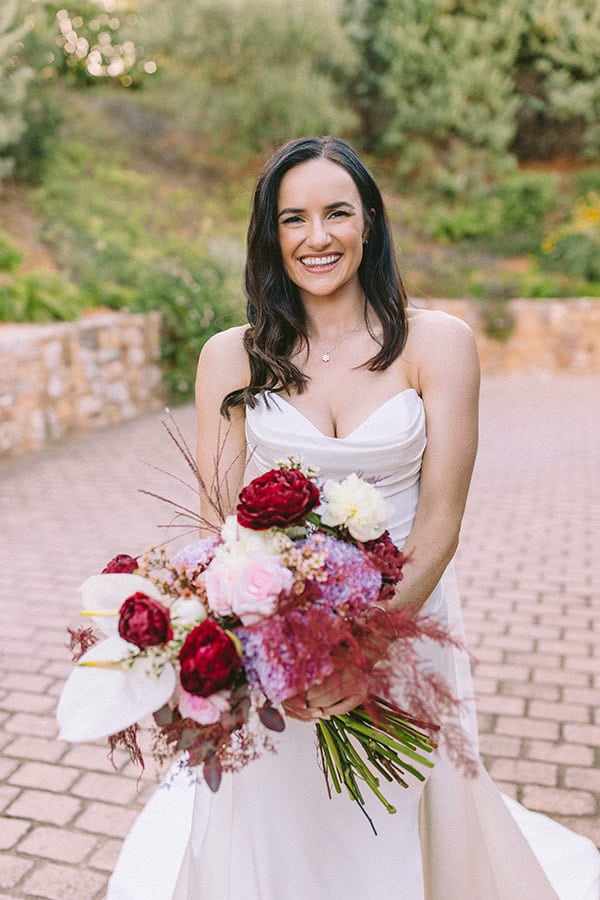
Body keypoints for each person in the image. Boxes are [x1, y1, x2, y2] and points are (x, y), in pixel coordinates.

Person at [108, 137, 599, 899]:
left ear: (369, 219)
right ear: (270, 234)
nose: (318, 237)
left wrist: (361, 648)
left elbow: (440, 520)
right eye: (293, 218)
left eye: (337, 213)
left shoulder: (438, 344)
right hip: (275, 639)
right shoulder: (231, 356)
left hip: (405, 619)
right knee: (280, 832)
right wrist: (273, 653)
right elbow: (218, 528)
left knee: (392, 824)